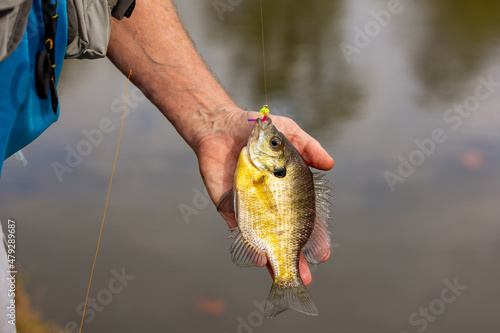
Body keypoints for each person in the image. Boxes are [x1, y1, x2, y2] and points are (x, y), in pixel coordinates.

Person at [1, 0, 333, 317]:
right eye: (276, 143)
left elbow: (108, 4)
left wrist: (214, 120)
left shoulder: (254, 160)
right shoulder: (260, 166)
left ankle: (287, 283)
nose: (270, 137)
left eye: (273, 143)